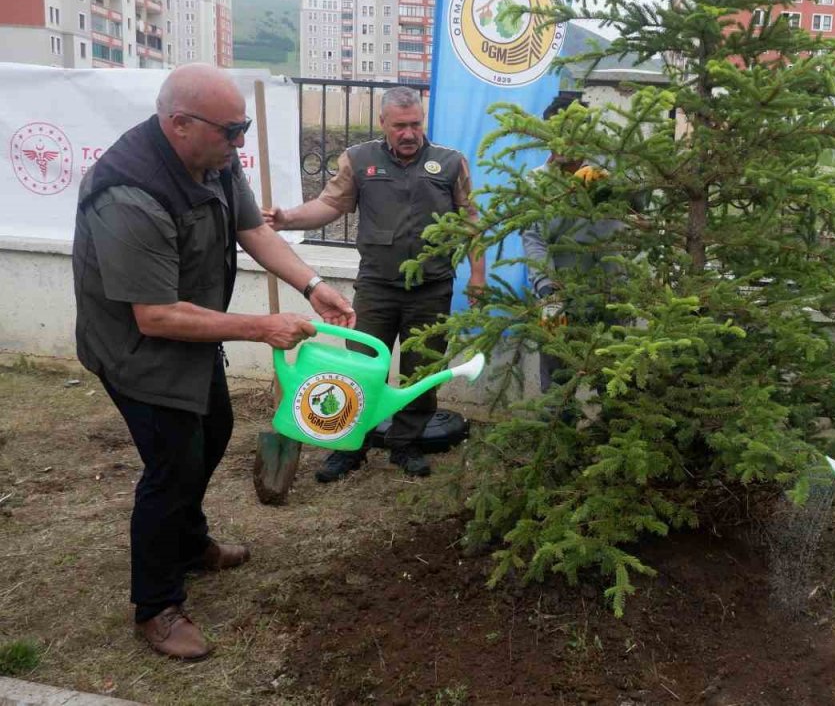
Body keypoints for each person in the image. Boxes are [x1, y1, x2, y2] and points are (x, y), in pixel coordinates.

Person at [73, 64, 357, 660]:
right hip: (137, 351)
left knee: (215, 430)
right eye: (232, 130)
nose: (240, 142)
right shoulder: (130, 191)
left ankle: (189, 541)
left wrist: (312, 286)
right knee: (173, 466)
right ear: (180, 124)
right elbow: (152, 316)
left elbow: (253, 230)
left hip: (192, 336)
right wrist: (261, 326)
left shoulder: (215, 161)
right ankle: (156, 605)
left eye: (245, 127)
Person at [264, 87, 485, 481]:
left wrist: (479, 276)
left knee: (421, 370)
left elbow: (471, 218)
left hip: (432, 287)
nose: (409, 133)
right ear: (383, 123)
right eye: (400, 125)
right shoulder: (359, 159)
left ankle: (405, 444)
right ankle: (350, 446)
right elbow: (330, 204)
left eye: (415, 124)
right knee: (361, 369)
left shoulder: (450, 163)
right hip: (376, 288)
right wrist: (286, 219)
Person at [520, 94, 628, 395]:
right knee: (557, 378)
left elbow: (641, 200)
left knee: (615, 376)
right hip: (557, 292)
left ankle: (611, 434)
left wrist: (610, 182)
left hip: (611, 291)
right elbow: (534, 238)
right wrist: (547, 291)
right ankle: (559, 431)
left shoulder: (610, 172)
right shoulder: (535, 182)